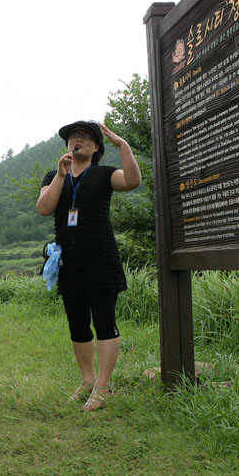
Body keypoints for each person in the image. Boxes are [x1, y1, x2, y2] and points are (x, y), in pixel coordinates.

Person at [36, 120, 141, 411]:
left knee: (104, 321)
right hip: (68, 260)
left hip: (101, 257)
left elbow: (132, 181)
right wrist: (60, 175)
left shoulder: (105, 174)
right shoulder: (53, 175)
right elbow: (45, 208)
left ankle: (104, 386)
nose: (77, 140)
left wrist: (124, 146)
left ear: (96, 147)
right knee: (77, 324)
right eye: (73, 137)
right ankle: (87, 381)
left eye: (84, 137)